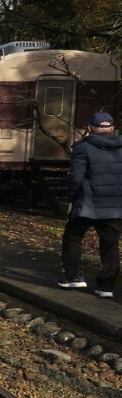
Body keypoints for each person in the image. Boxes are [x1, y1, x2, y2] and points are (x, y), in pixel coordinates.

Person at [59, 111, 122, 298]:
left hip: (87, 204)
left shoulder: (83, 148)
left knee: (72, 238)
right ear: (112, 128)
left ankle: (74, 277)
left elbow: (75, 177)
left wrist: (71, 197)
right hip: (115, 205)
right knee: (110, 245)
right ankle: (106, 286)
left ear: (88, 129)